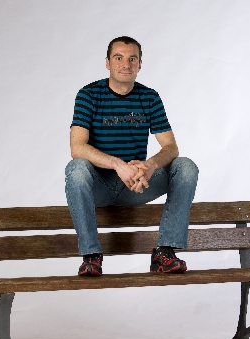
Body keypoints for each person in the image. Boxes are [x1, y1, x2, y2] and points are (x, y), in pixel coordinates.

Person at [65, 36, 199, 276]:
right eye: (118, 58)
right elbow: (77, 147)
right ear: (108, 63)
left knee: (185, 166)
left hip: (137, 186)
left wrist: (150, 166)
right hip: (99, 186)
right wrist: (118, 165)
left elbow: (171, 147)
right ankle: (91, 255)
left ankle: (164, 252)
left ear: (140, 64)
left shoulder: (149, 97)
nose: (125, 64)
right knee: (76, 168)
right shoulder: (89, 95)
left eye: (132, 59)